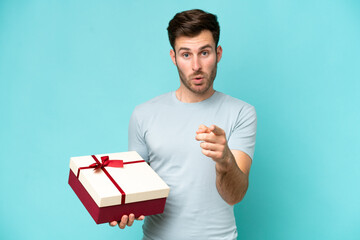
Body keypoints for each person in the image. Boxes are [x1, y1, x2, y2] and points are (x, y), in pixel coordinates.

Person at [110, 9, 257, 239]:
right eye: (186, 54)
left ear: (218, 53)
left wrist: (225, 159)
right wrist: (123, 209)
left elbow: (235, 195)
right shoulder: (143, 115)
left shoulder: (241, 112)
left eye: (204, 53)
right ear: (173, 57)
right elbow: (134, 190)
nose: (196, 65)